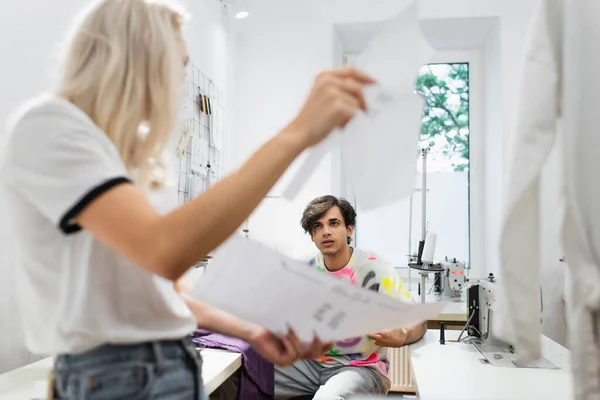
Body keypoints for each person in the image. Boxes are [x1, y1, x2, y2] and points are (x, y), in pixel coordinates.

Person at [0, 1, 375, 399]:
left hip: (159, 366)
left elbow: (159, 289)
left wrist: (253, 331)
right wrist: (296, 134)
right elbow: (163, 251)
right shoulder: (51, 126)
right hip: (123, 373)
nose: (177, 86)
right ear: (145, 48)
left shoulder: (107, 157)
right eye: (177, 66)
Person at [274, 195, 426, 399]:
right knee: (244, 373)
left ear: (349, 229)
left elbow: (419, 320)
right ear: (312, 236)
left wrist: (403, 335)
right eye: (318, 226)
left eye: (334, 223)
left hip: (361, 368)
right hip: (308, 364)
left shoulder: (374, 269)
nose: (326, 231)